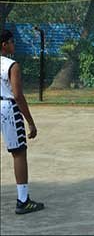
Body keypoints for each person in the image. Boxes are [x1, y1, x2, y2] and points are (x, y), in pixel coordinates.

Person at [1, 29, 44, 214]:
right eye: (12, 41)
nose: (14, 44)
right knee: (19, 153)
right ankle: (23, 200)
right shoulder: (12, 65)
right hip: (8, 108)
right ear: (4, 45)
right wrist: (31, 122)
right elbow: (18, 95)